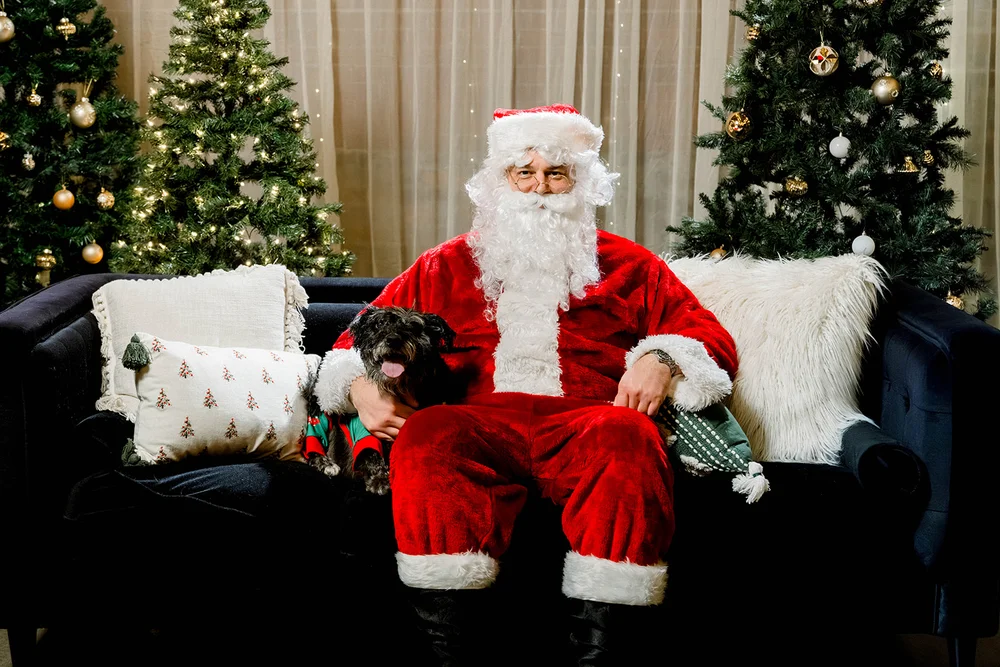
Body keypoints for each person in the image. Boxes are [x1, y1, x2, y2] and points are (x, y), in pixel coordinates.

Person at [315, 104, 738, 663]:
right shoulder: (446, 264)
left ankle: (601, 658)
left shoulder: (631, 265)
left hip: (588, 421)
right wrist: (361, 388)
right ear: (501, 181)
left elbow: (709, 337)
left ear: (580, 182)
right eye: (525, 173)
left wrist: (662, 356)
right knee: (428, 435)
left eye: (556, 174)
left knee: (629, 438)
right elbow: (354, 338)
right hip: (477, 422)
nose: (540, 188)